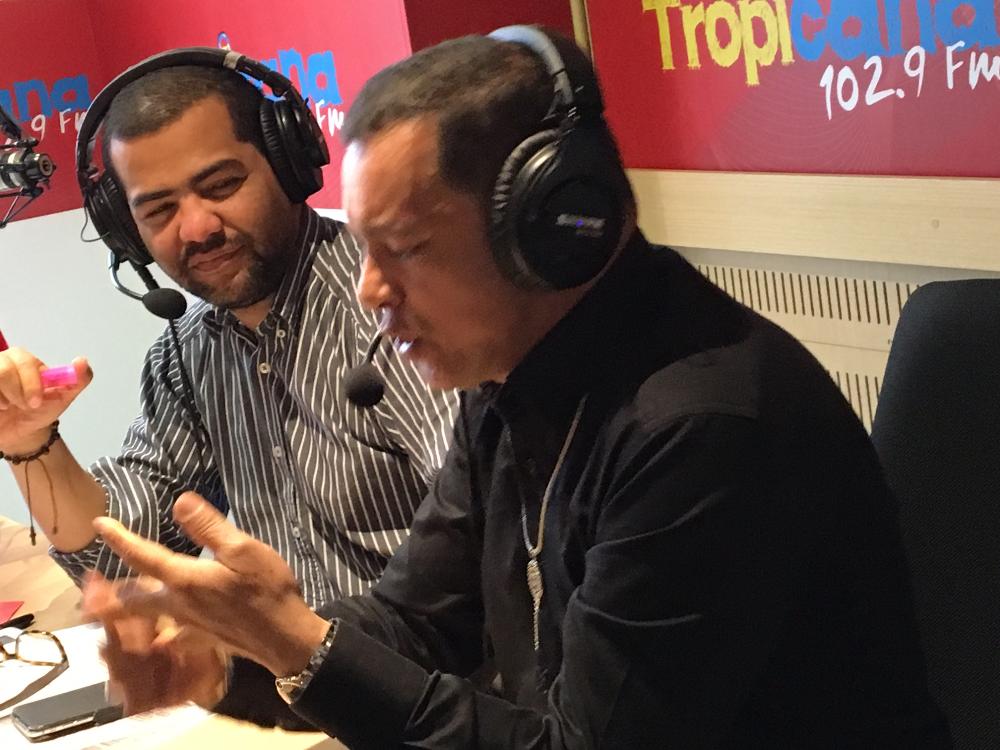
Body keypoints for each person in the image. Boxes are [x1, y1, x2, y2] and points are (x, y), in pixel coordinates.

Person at [85, 27, 952, 748]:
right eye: (367, 249)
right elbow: (418, 619)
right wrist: (233, 657)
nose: (371, 290)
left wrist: (305, 650)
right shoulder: (509, 378)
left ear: (547, 227)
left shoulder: (703, 429)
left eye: (405, 249)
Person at [0, 50, 457, 608]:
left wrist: (309, 648)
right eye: (159, 210)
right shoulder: (188, 354)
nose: (196, 228)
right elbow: (120, 559)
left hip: (427, 659)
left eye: (221, 185)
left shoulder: (396, 311)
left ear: (288, 165)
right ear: (126, 231)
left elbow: (489, 543)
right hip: (302, 661)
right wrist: (30, 442)